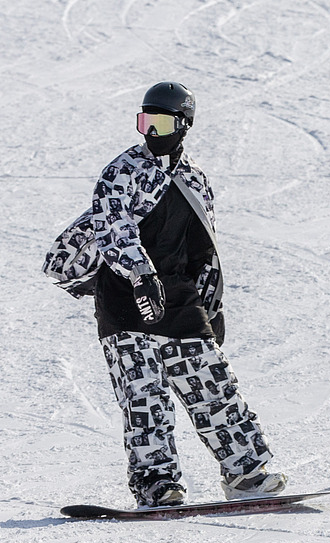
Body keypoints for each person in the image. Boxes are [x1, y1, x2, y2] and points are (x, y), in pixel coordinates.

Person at [45, 81, 286, 508]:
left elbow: (202, 248)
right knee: (144, 398)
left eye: (160, 122)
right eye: (144, 122)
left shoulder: (194, 180)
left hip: (179, 299)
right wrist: (140, 275)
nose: (151, 133)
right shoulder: (122, 172)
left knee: (214, 386)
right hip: (124, 300)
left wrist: (212, 305)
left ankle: (246, 473)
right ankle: (158, 483)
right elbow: (112, 229)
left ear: (184, 124)